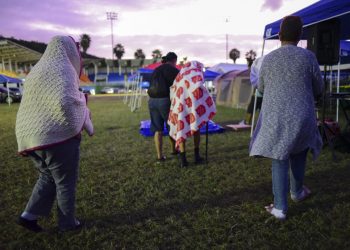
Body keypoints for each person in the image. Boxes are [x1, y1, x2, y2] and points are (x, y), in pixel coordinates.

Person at [15, 35, 94, 232]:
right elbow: (66, 102)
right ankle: (68, 224)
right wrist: (83, 103)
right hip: (56, 135)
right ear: (69, 51)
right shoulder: (64, 69)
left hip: (29, 137)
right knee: (65, 181)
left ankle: (28, 216)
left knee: (47, 176)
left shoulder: (36, 71)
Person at [249, 16, 323, 220]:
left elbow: (261, 88)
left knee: (279, 158)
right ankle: (297, 192)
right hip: (303, 116)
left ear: (279, 36)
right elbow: (319, 88)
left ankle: (280, 208)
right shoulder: (309, 57)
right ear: (300, 36)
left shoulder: (269, 59)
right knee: (299, 153)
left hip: (277, 117)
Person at [168, 61, 216, 167]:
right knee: (196, 128)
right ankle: (196, 156)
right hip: (193, 106)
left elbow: (173, 89)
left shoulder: (180, 75)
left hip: (180, 107)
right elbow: (198, 86)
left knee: (181, 130)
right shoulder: (197, 72)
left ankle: (183, 160)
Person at [147, 52, 179, 162]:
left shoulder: (157, 69)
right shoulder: (172, 69)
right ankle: (174, 149)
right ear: (174, 61)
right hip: (164, 101)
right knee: (172, 126)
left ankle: (160, 156)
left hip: (152, 101)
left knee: (157, 129)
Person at [240, 57, 264, 125]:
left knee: (251, 109)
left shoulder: (256, 69)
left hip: (258, 95)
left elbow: (255, 83)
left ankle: (247, 122)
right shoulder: (256, 68)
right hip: (258, 94)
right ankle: (247, 122)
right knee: (253, 110)